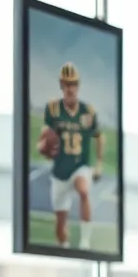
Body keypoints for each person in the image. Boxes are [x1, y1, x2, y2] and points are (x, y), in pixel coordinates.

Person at [39, 61, 103, 250]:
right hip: (60, 171)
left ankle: (85, 241)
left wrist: (98, 163)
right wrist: (44, 148)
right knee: (60, 224)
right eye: (66, 84)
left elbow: (99, 137)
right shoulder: (52, 109)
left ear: (78, 85)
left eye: (73, 84)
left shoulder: (87, 112)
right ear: (61, 85)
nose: (70, 88)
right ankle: (64, 246)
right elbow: (43, 140)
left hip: (79, 166)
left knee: (83, 190)